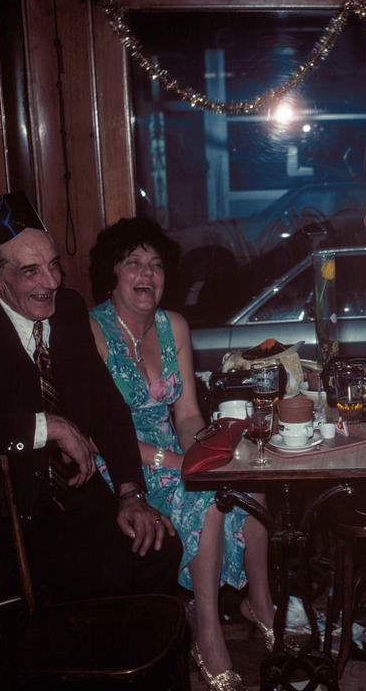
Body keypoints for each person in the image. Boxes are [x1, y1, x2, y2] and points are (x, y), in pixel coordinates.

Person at [0, 191, 182, 602]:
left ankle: (135, 664)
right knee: (104, 574)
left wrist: (131, 493)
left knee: (159, 545)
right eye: (31, 271)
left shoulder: (69, 311)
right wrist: (45, 427)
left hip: (73, 500)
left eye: (54, 266)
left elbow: (109, 409)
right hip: (5, 517)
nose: (51, 282)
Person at [87, 217, 275, 690]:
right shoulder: (92, 330)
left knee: (248, 479)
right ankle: (207, 633)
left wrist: (209, 453)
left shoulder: (174, 325)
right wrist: (178, 465)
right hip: (123, 460)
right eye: (133, 263)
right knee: (203, 496)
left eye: (155, 265)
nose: (146, 274)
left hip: (171, 451)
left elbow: (188, 414)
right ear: (113, 273)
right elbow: (97, 433)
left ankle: (261, 601)